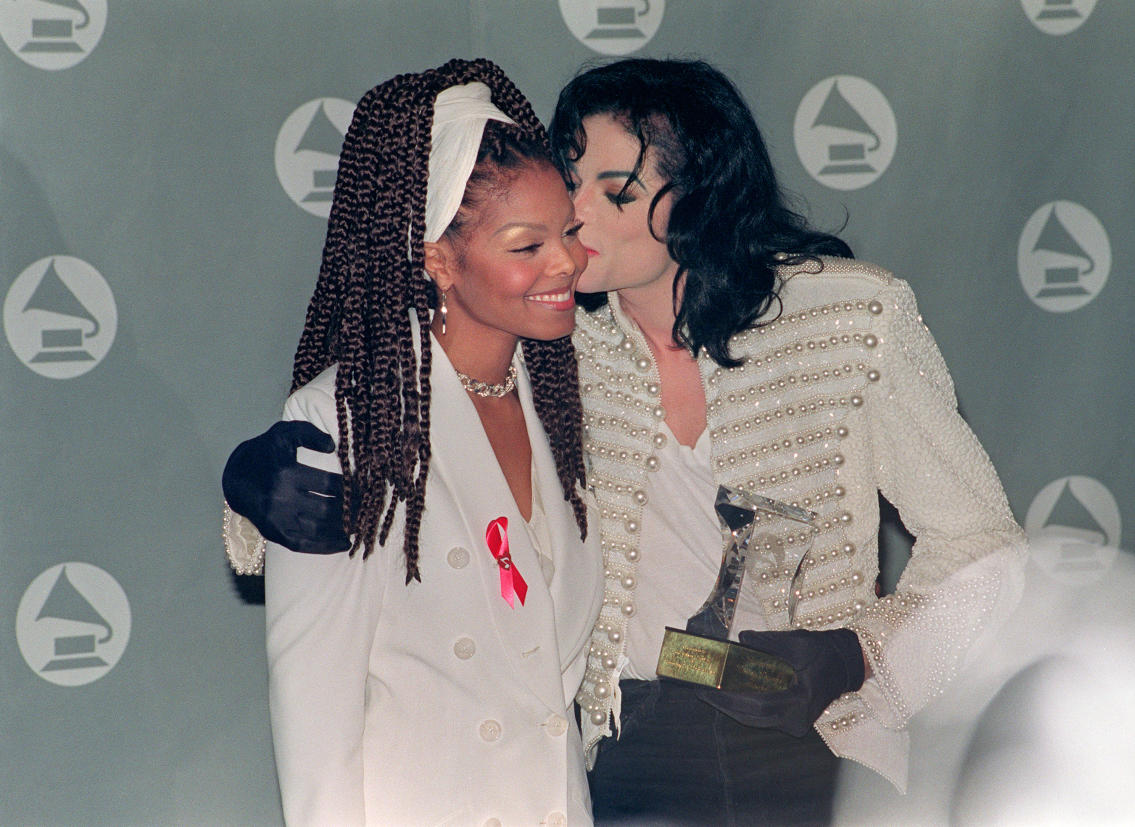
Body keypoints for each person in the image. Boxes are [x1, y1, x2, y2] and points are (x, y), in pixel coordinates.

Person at [225, 58, 1027, 823]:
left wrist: (858, 656)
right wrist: (247, 485)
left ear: (700, 191)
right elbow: (381, 434)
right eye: (569, 182)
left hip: (824, 746)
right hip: (629, 761)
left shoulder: (852, 319)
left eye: (615, 191)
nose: (574, 216)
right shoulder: (555, 352)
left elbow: (987, 548)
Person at [224, 58, 604, 826]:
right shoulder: (347, 419)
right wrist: (241, 486)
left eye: (568, 232)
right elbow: (314, 718)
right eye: (527, 245)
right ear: (437, 258)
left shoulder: (568, 399)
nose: (567, 263)